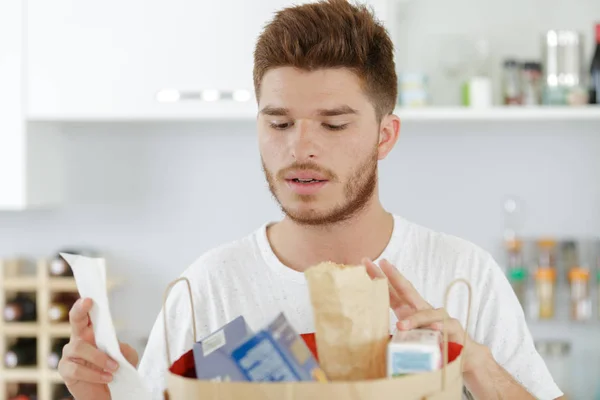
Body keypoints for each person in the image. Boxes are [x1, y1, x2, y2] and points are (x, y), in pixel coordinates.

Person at [57, 1, 563, 399]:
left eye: (334, 124)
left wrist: (475, 365)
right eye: (278, 123)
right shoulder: (205, 289)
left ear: (385, 136)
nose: (300, 148)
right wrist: (100, 395)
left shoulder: (463, 277)